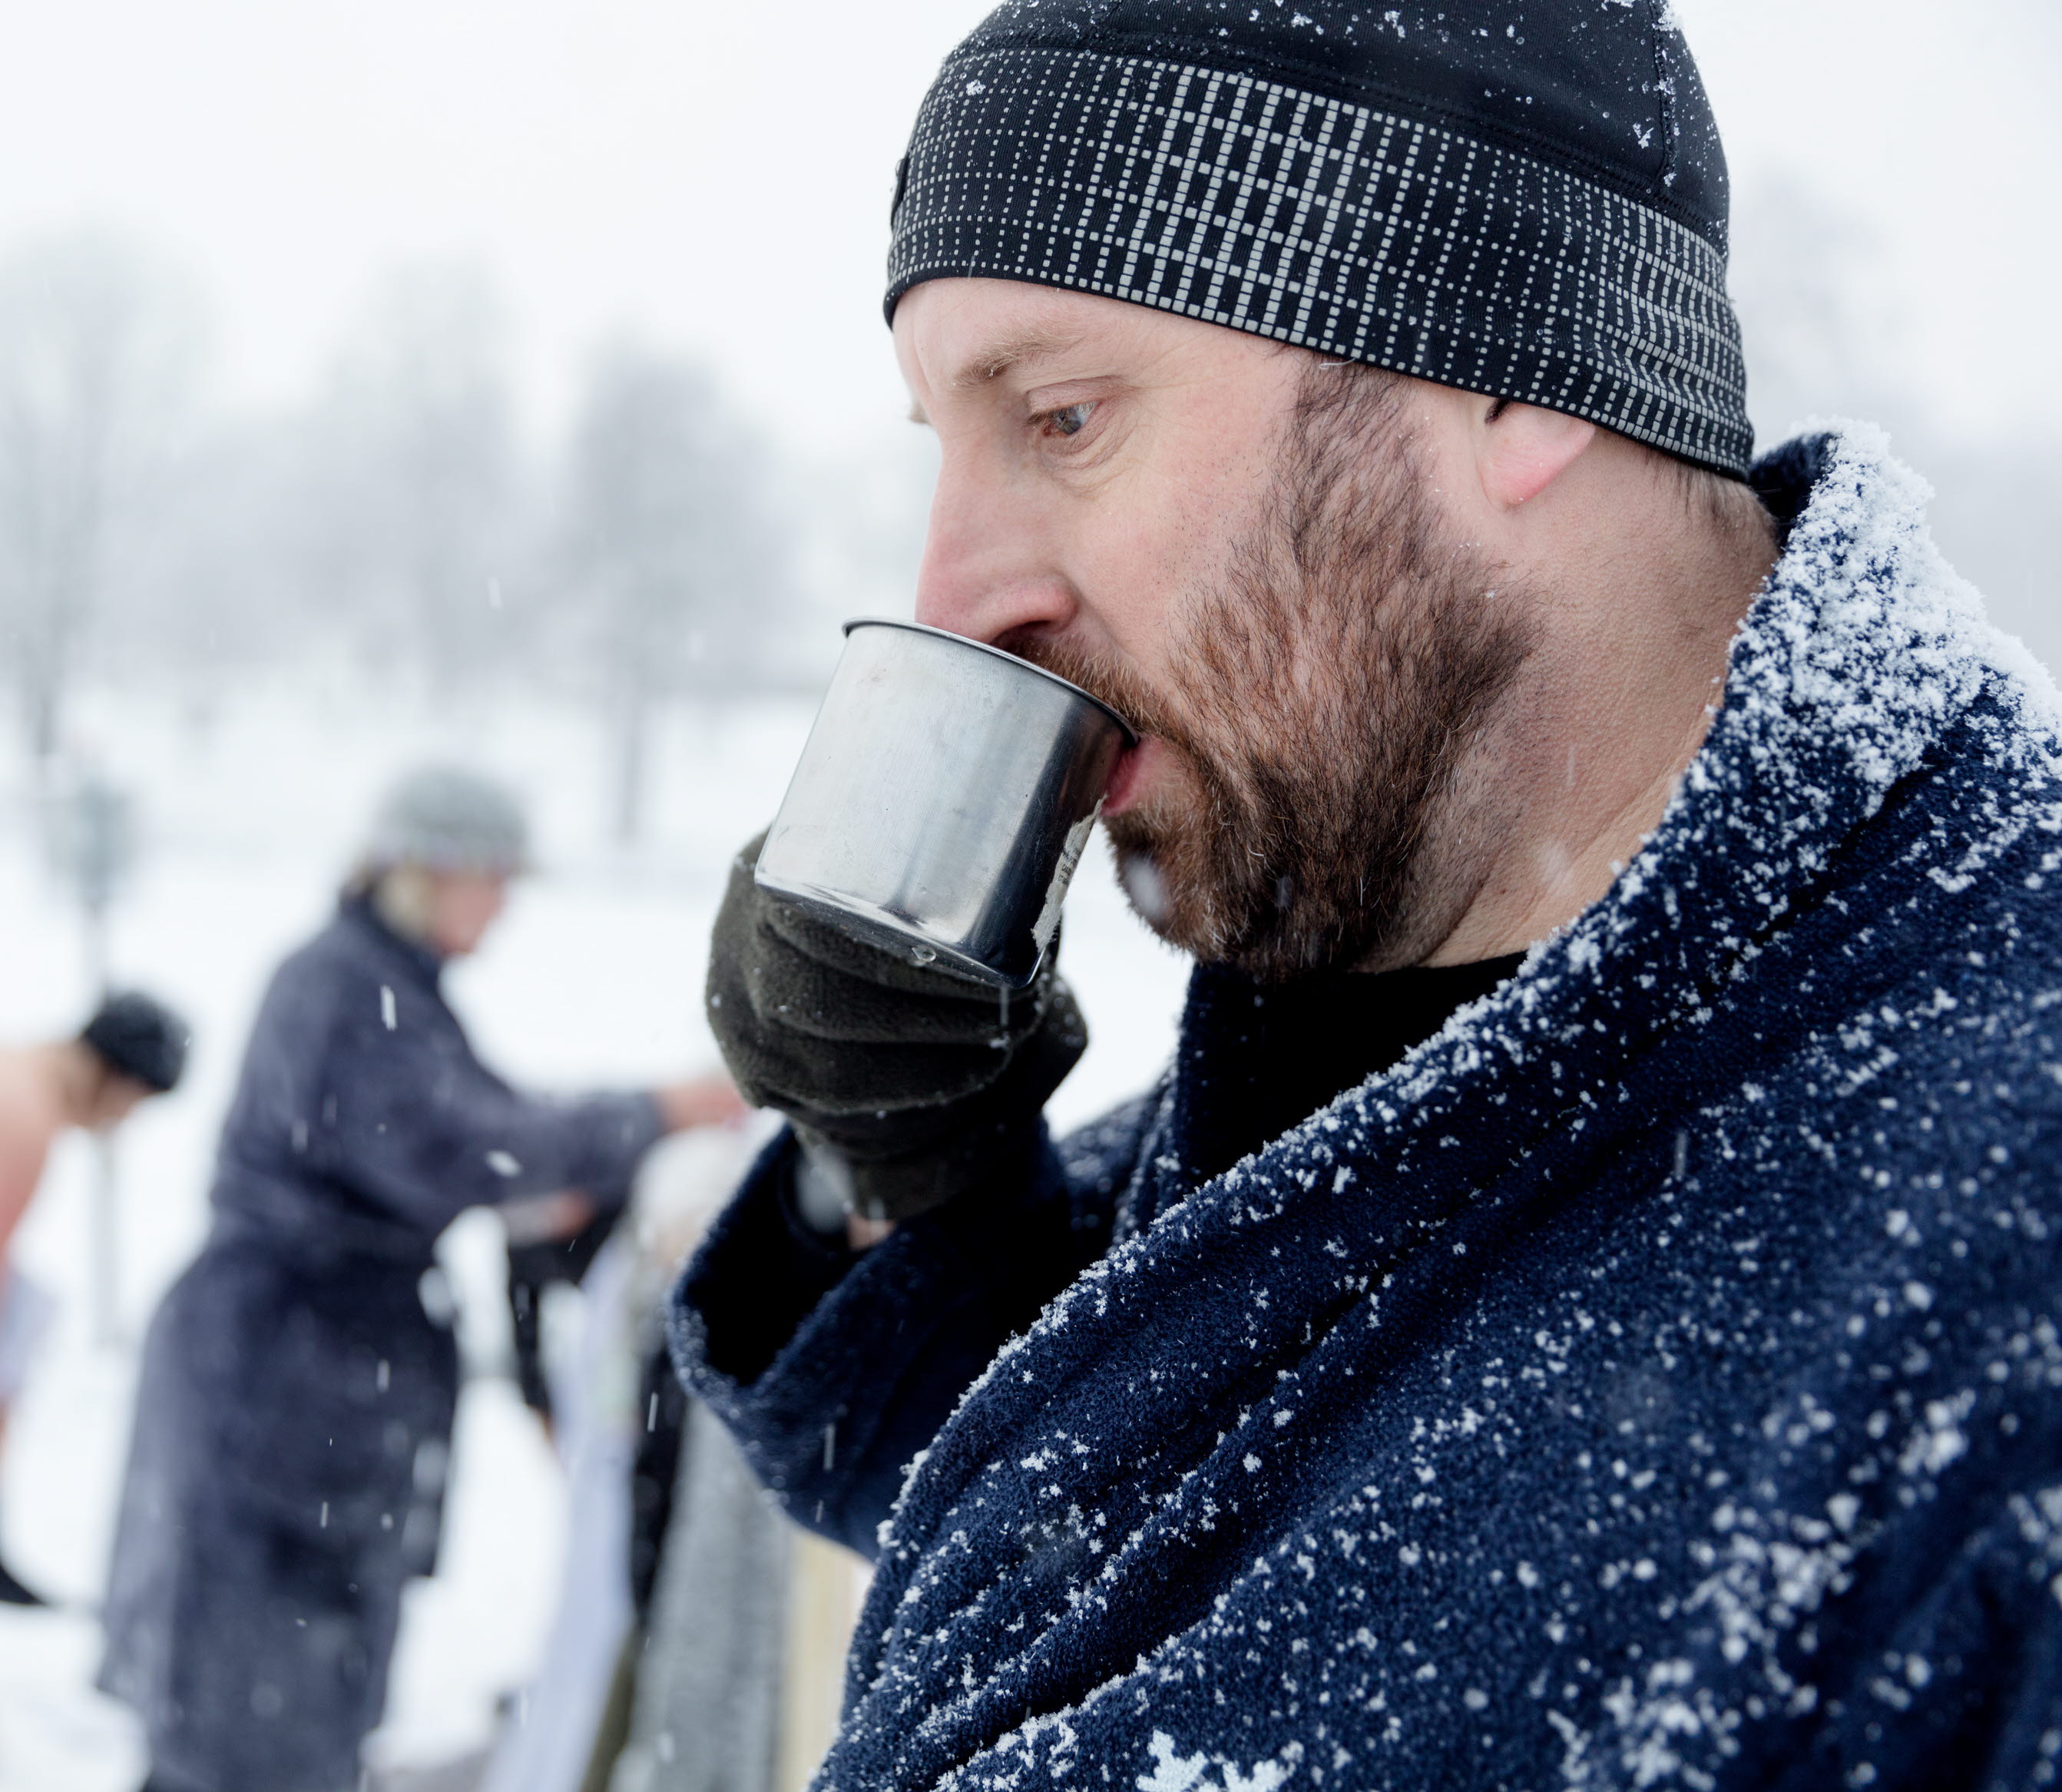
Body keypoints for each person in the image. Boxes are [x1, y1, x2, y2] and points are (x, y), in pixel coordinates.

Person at [670, 4, 2062, 1789]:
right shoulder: (1399, 945)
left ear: (1511, 368)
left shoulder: (1997, 1240)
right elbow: (1163, 1567)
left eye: (1064, 417)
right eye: (941, 441)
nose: (955, 593)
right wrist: (921, 1183)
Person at [99, 766, 741, 1792]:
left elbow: (491, 1136)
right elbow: (466, 1146)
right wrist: (661, 1110)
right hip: (282, 1375)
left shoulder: (392, 988)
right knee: (247, 1697)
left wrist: (582, 1162)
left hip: (324, 1376)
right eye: (495, 879)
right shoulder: (342, 989)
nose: (505, 905)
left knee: (301, 1695)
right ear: (429, 870)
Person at [0, 992, 188, 1606]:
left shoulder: (21, 1078)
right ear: (108, 1074)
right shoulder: (23, 1121)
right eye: (129, 1105)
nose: (121, 1122)